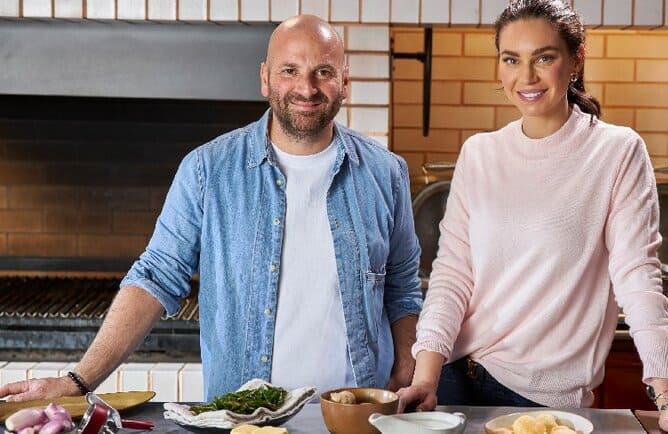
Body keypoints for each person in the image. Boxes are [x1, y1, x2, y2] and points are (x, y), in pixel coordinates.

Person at [0, 14, 422, 402]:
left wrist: (408, 363)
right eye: (289, 70)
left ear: (345, 81)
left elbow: (402, 287)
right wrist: (78, 380)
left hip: (356, 414)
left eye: (323, 72)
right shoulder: (207, 170)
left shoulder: (386, 173)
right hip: (242, 417)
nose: (306, 88)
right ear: (265, 78)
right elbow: (155, 277)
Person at [396, 1, 668, 433]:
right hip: (451, 376)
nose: (526, 77)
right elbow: (452, 276)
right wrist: (425, 377)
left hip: (540, 399)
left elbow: (638, 277)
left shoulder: (616, 152)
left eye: (544, 57)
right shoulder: (479, 154)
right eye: (511, 59)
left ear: (575, 61)